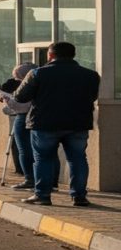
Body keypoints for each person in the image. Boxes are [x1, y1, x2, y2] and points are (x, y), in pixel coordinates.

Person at [14, 42, 100, 207]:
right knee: (78, 159)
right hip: (78, 123)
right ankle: (79, 196)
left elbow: (20, 97)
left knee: (43, 159)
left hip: (44, 123)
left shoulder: (37, 73)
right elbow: (92, 97)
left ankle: (42, 195)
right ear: (73, 55)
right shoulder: (91, 75)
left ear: (51, 55)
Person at [0, 62, 44, 190]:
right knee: (46, 152)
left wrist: (7, 100)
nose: (16, 80)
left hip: (24, 118)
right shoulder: (45, 82)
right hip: (44, 117)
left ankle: (30, 179)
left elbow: (18, 107)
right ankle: (50, 182)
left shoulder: (27, 85)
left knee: (25, 149)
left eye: (18, 77)